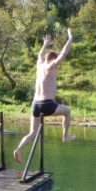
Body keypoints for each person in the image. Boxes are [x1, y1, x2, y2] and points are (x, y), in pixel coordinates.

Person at [14, 28, 75, 164]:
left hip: (35, 104)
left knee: (32, 133)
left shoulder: (40, 66)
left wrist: (45, 44)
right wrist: (70, 38)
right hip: (47, 104)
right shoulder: (51, 66)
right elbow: (64, 53)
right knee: (67, 112)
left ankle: (19, 149)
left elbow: (40, 55)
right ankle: (65, 136)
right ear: (53, 59)